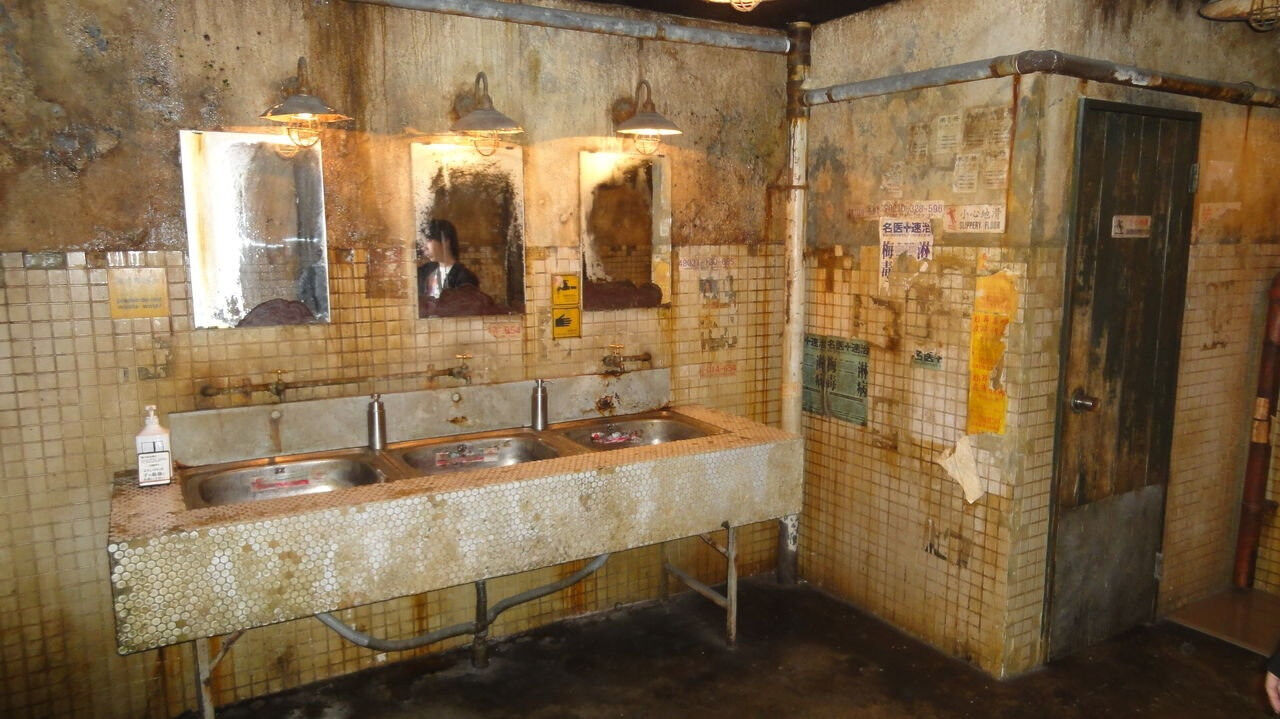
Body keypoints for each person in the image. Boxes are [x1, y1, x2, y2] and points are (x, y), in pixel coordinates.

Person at [417, 219, 479, 301]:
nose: (424, 247)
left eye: (428, 240)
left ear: (445, 241)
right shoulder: (424, 272)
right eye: (423, 242)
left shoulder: (465, 278)